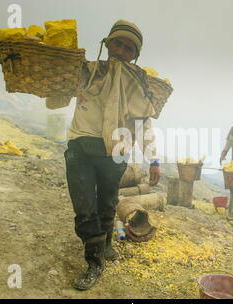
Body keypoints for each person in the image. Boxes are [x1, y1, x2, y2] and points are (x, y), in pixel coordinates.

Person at [45, 19, 162, 290]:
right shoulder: (87, 71)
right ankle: (94, 261)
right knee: (84, 208)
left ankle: (106, 244)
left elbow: (144, 125)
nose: (121, 50)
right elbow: (57, 97)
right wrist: (53, 81)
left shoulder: (138, 84)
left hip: (117, 153)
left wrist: (154, 159)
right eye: (117, 43)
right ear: (107, 43)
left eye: (128, 48)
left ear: (135, 54)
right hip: (81, 149)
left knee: (107, 203)